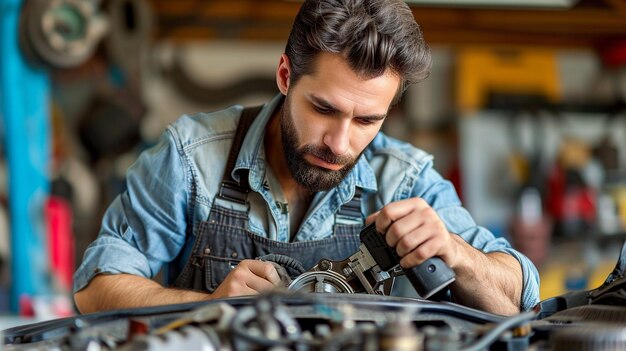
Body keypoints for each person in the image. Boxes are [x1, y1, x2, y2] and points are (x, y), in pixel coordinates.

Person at [74, 0, 539, 316]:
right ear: (284, 76)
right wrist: (206, 306)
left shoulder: (405, 179)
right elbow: (96, 288)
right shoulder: (192, 159)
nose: (339, 143)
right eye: (324, 109)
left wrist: (456, 253)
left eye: (366, 121)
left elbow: (522, 302)